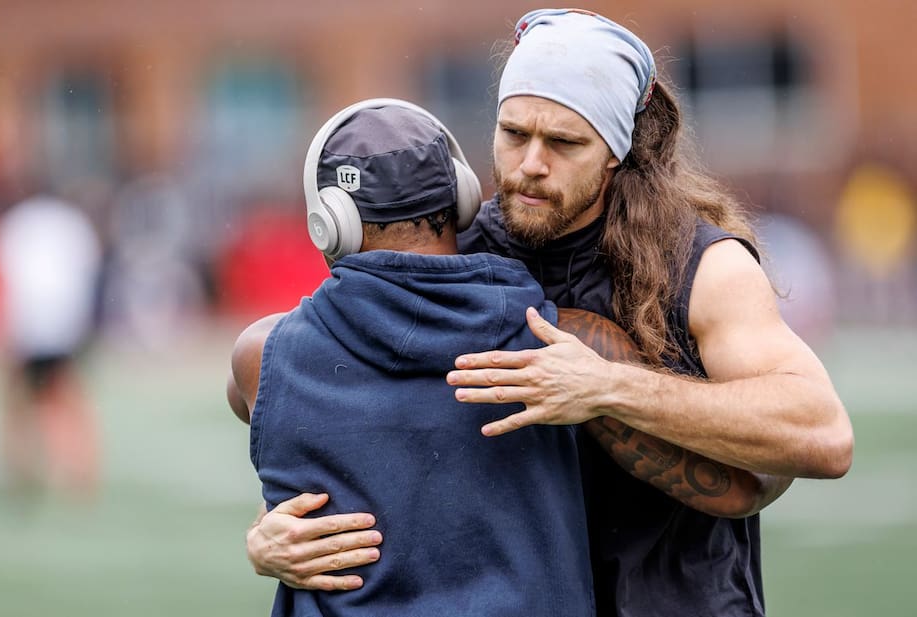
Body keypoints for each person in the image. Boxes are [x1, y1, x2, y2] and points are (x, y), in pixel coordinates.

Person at [244, 9, 855, 616]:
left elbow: (824, 437)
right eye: (514, 134)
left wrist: (608, 387)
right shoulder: (462, 254)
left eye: (564, 143)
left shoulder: (701, 266)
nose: (531, 163)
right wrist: (272, 533)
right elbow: (345, 407)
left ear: (616, 150)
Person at [227, 99, 599, 616]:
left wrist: (260, 536)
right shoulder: (569, 343)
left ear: (330, 221)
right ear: (463, 196)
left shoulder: (260, 353)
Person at [0, 194, 102, 497]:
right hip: (64, 322)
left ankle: (25, 468)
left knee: (20, 399)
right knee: (65, 397)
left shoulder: (16, 222)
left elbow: (4, 275)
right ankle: (78, 470)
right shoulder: (73, 221)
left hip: (28, 322)